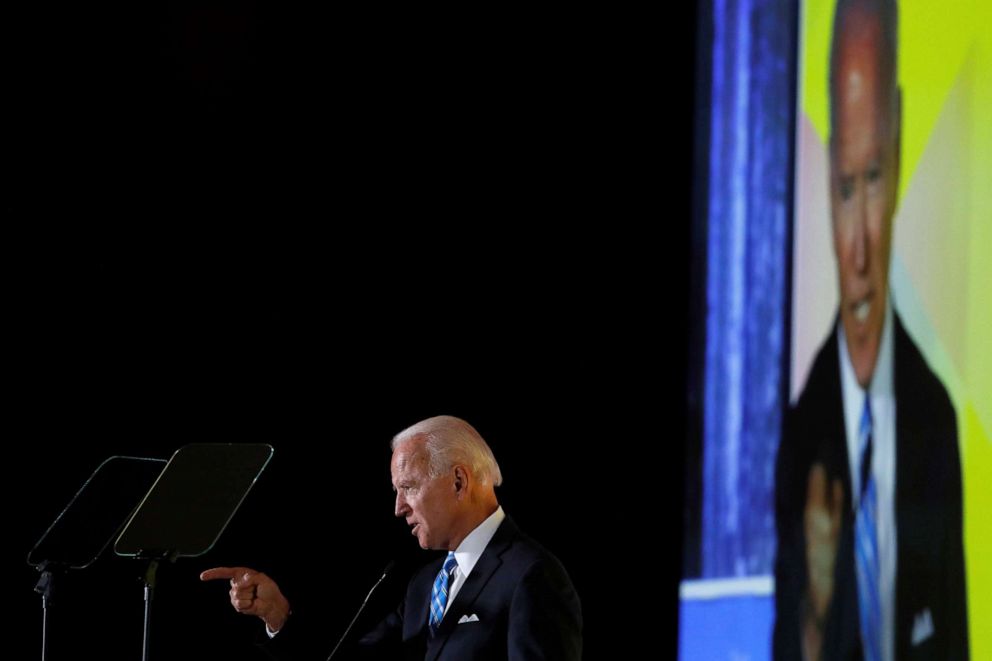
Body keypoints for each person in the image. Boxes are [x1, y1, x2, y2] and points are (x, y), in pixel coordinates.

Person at [773, 1, 969, 660]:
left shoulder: (935, 418)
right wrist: (815, 609)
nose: (856, 252)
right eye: (845, 187)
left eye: (876, 179)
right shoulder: (798, 435)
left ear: (903, 141)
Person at [201, 415, 582, 660]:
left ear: (459, 481)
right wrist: (278, 615)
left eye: (409, 488)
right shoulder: (424, 584)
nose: (398, 508)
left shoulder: (532, 576)